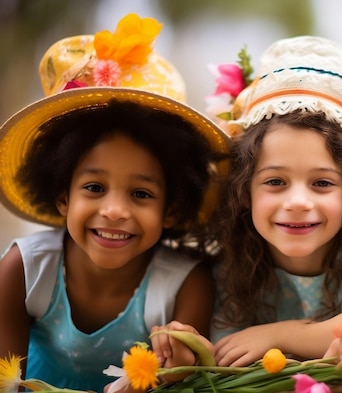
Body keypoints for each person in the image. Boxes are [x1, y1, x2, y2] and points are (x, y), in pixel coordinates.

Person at [0, 13, 230, 392]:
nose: (114, 211)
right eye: (94, 187)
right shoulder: (23, 270)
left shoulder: (186, 284)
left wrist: (183, 359)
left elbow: (185, 381)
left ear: (171, 209)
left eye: (141, 194)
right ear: (62, 197)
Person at [199, 35, 342, 367]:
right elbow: (227, 351)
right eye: (275, 182)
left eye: (322, 183)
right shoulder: (235, 264)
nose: (298, 201)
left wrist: (277, 335)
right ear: (243, 192)